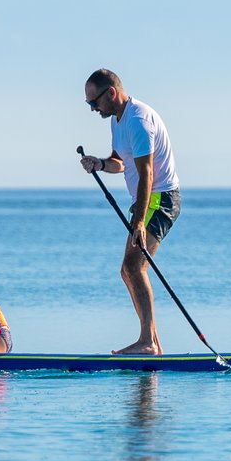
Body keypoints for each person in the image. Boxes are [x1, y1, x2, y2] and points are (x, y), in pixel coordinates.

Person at [79, 68, 181, 355]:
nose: (92, 109)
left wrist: (138, 222)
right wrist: (99, 163)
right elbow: (120, 162)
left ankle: (147, 342)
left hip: (159, 199)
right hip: (144, 202)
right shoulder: (117, 121)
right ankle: (152, 343)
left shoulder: (138, 120)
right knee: (129, 270)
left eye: (94, 102)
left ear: (111, 93)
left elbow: (146, 173)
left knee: (134, 267)